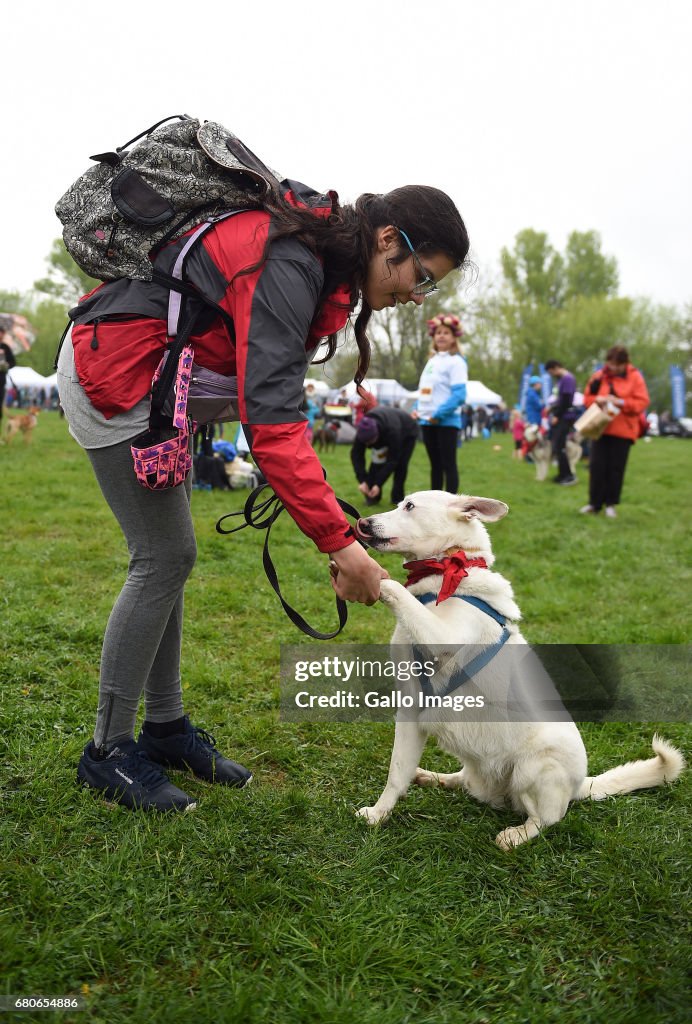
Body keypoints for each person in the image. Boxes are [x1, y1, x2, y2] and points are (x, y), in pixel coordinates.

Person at [57, 183, 470, 812]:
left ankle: (164, 729)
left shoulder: (317, 264)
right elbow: (272, 425)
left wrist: (335, 529)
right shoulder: (292, 260)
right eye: (423, 276)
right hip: (114, 373)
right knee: (162, 557)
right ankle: (107, 751)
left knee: (173, 558)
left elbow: (273, 406)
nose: (417, 295)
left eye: (430, 287)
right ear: (389, 241)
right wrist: (340, 545)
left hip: (156, 384)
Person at [579, 345, 649, 518]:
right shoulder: (599, 376)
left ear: (625, 363)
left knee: (615, 469)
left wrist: (621, 402)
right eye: (611, 364)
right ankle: (594, 504)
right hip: (599, 429)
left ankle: (610, 504)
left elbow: (642, 402)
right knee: (596, 467)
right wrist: (599, 399)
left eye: (618, 365)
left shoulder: (635, 377)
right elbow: (587, 399)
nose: (614, 368)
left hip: (623, 431)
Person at [413, 313, 468, 492]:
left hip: (445, 421)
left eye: (446, 333)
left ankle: (453, 509)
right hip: (427, 420)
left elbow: (459, 395)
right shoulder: (431, 361)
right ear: (433, 338)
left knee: (448, 465)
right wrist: (416, 409)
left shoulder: (457, 362)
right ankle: (435, 507)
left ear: (454, 338)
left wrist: (438, 415)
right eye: (438, 333)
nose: (441, 336)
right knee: (435, 466)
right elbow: (425, 390)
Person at [350, 406, 419, 506]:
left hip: (407, 432)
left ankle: (397, 499)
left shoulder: (392, 431)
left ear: (377, 435)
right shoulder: (363, 430)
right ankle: (373, 496)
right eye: (366, 443)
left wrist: (378, 483)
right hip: (387, 426)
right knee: (377, 461)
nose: (369, 446)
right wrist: (362, 480)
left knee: (400, 465)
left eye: (371, 442)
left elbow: (393, 459)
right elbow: (356, 455)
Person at [545, 359, 578, 485]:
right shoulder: (561, 380)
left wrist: (557, 415)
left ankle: (569, 476)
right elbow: (560, 400)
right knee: (558, 446)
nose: (551, 375)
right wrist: (552, 407)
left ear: (555, 368)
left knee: (560, 446)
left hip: (565, 417)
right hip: (561, 415)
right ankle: (561, 474)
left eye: (551, 372)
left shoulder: (567, 379)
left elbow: (566, 401)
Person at [0, 330, 16, 424]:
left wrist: (6, 365)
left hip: (1, 379)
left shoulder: (5, 347)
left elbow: (12, 362)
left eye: (1, 332)